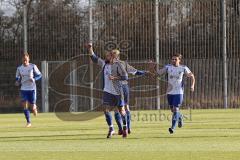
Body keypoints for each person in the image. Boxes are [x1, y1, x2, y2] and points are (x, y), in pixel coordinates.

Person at [87, 43, 128, 138]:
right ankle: (111, 129)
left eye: (109, 56)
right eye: (107, 56)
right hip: (107, 91)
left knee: (121, 110)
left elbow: (125, 77)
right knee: (106, 109)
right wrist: (90, 48)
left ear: (113, 57)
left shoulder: (119, 65)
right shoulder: (104, 64)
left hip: (118, 91)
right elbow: (94, 58)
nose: (107, 57)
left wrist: (115, 77)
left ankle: (125, 127)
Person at [149, 53, 195, 134]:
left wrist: (192, 85)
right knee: (173, 110)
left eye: (175, 59)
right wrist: (153, 68)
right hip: (170, 92)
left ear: (179, 60)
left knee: (175, 109)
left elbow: (191, 76)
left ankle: (172, 128)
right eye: (172, 59)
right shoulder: (168, 67)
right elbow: (156, 74)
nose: (173, 60)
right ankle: (180, 117)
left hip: (179, 92)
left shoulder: (183, 68)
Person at [111, 49, 148, 134]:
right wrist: (145, 72)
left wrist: (145, 72)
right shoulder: (123, 63)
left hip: (117, 88)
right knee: (126, 107)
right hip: (124, 87)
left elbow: (134, 72)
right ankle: (127, 127)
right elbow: (136, 72)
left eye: (113, 55)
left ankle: (122, 129)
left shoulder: (111, 64)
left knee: (117, 109)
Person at [15, 53, 42, 127]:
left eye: (26, 60)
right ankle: (28, 122)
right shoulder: (19, 68)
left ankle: (34, 108)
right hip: (24, 89)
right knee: (25, 106)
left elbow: (40, 75)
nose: (25, 61)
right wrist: (17, 81)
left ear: (28, 59)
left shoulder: (33, 66)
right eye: (23, 60)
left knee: (32, 107)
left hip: (32, 89)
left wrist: (34, 79)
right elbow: (17, 77)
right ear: (22, 60)